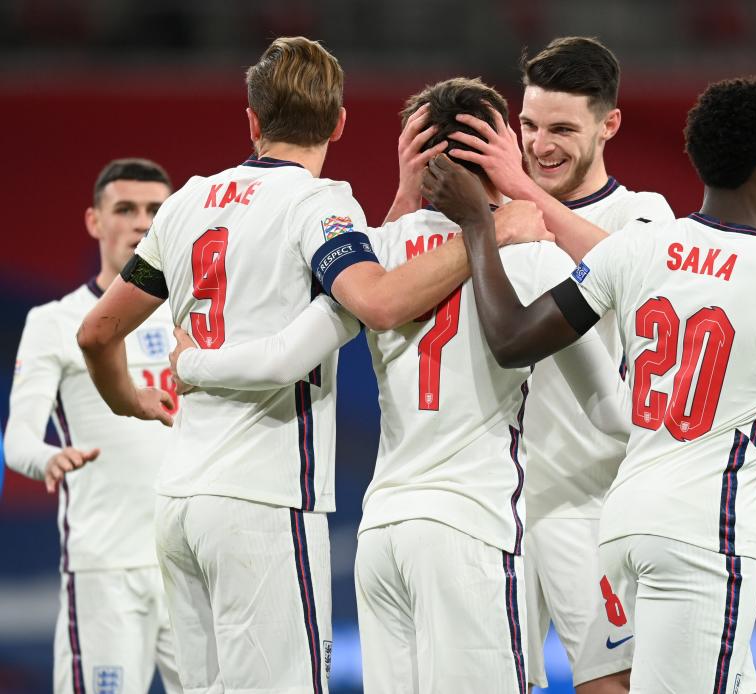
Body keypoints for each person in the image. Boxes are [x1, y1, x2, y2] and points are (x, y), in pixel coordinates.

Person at [76, 39, 545, 693]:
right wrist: (485, 229)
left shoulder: (185, 203)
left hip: (178, 500)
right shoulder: (319, 204)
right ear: (339, 123)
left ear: (252, 120)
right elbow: (378, 300)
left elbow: (98, 332)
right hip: (264, 501)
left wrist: (127, 397)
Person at [165, 77, 630, 694]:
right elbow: (610, 411)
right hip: (473, 530)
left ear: (420, 158)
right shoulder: (532, 257)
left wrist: (191, 365)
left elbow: (282, 358)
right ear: (503, 155)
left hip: (381, 537)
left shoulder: (375, 258)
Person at [423, 76, 756, 693]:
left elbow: (511, 338)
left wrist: (480, 227)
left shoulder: (640, 248)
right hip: (704, 538)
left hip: (623, 524)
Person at [385, 40, 674, 693]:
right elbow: (382, 291)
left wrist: (518, 190)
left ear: (610, 125)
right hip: (491, 505)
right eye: (530, 126)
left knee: (615, 683)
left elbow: (643, 282)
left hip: (586, 502)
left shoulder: (642, 213)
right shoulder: (481, 225)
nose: (541, 145)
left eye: (563, 130)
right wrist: (410, 197)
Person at [4, 158, 181, 694]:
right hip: (105, 566)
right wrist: (48, 458)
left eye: (155, 210)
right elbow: (17, 439)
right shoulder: (54, 322)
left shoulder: (196, 316)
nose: (141, 223)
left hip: (192, 560)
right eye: (125, 209)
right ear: (94, 222)